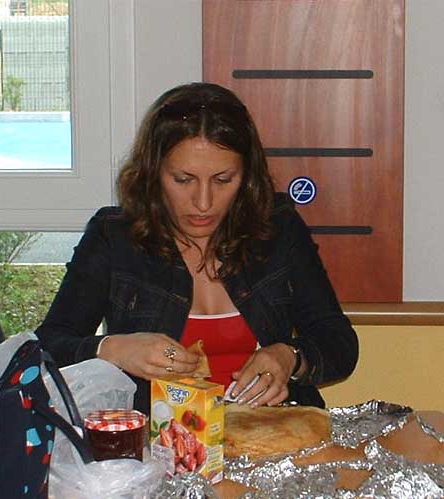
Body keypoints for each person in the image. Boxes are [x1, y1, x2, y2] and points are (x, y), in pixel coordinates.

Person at [36, 82, 358, 415]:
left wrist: (289, 357)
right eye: (183, 179)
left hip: (271, 430)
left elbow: (339, 344)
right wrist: (112, 349)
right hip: (157, 437)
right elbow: (48, 346)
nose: (203, 202)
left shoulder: (279, 228)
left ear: (247, 177)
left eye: (223, 180)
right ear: (153, 173)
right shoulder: (114, 236)